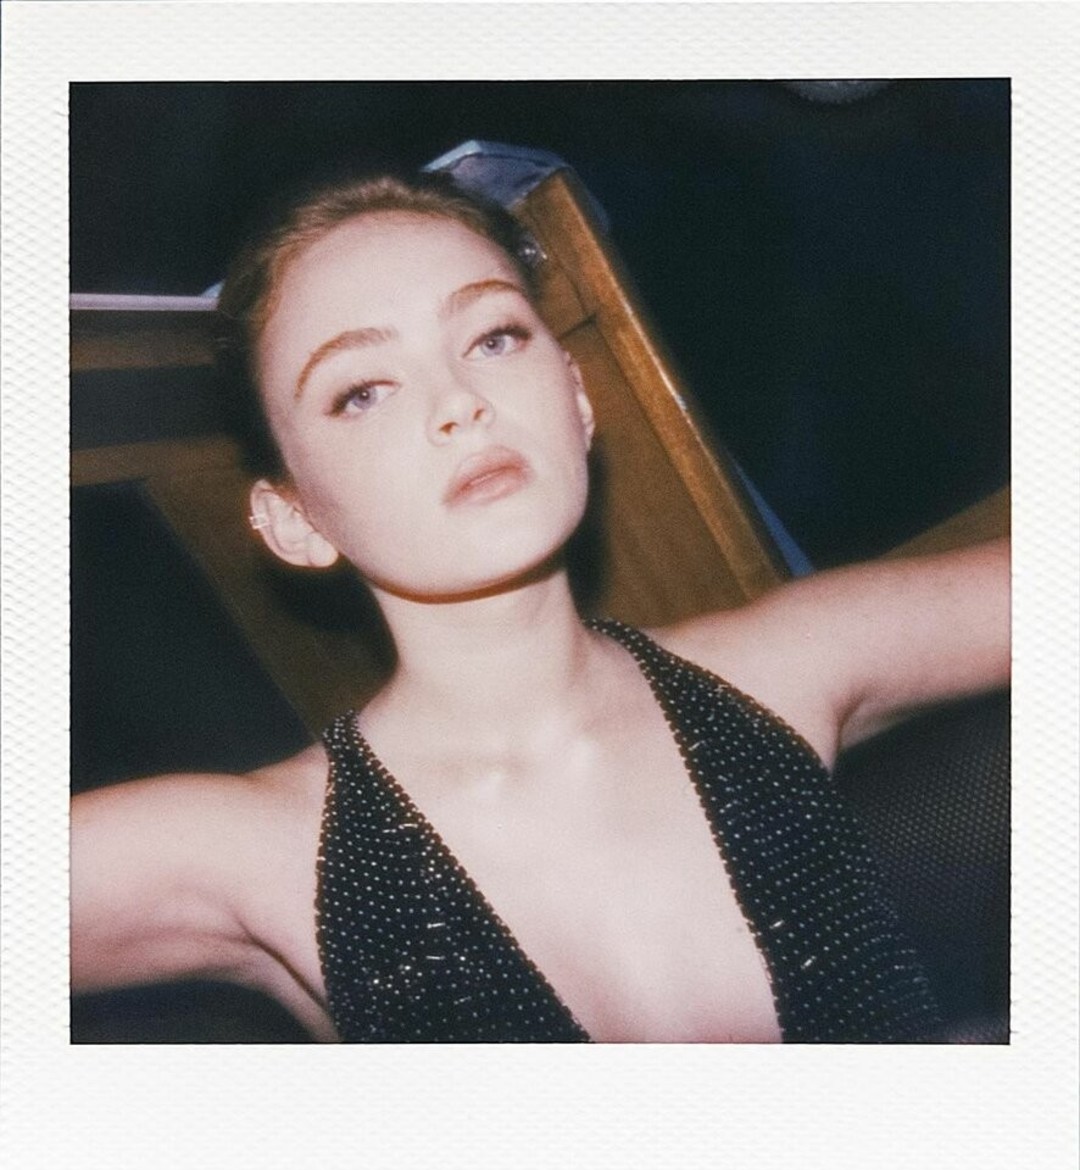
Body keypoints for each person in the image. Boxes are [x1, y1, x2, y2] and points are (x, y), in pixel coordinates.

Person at [70, 172, 1010, 1044]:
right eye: (362, 392)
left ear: (577, 398)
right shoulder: (256, 850)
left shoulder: (790, 662)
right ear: (296, 521)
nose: (459, 401)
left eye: (494, 339)